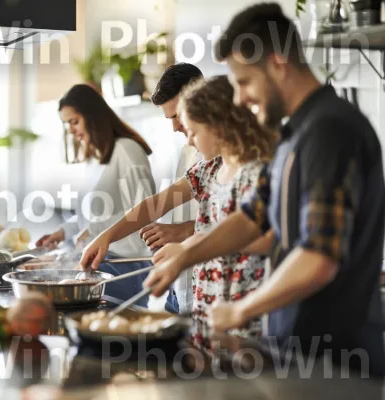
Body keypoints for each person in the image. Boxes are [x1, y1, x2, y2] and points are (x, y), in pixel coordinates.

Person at [143, 3, 385, 378]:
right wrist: (184, 257)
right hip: (296, 348)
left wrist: (242, 310)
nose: (238, 100)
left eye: (243, 82)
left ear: (276, 63)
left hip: (337, 360)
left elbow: (318, 258)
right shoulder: (295, 136)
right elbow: (251, 217)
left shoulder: (330, 131)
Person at [81, 76, 277, 347]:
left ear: (219, 126)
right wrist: (107, 236)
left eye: (193, 132)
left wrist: (189, 248)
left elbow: (266, 238)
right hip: (204, 309)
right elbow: (155, 205)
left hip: (240, 312)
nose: (191, 143)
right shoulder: (207, 169)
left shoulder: (256, 173)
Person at [35, 84, 156, 304]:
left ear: (93, 116)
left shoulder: (127, 151)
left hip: (124, 267)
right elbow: (93, 215)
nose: (71, 130)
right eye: (67, 124)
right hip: (100, 262)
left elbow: (147, 211)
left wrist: (94, 231)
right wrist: (63, 232)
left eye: (74, 121)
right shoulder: (97, 159)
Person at [147, 63, 204, 313]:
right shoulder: (185, 151)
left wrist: (185, 231)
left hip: (206, 288)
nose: (175, 127)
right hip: (178, 285)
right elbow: (164, 201)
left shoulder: (228, 153)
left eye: (177, 115)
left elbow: (243, 222)